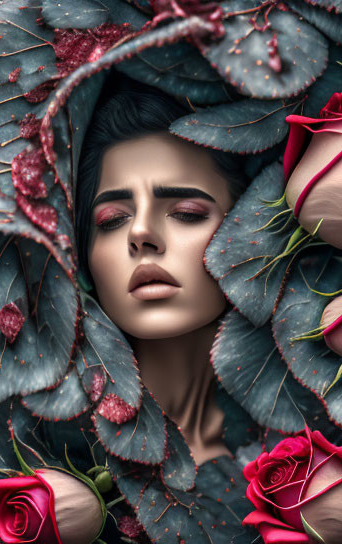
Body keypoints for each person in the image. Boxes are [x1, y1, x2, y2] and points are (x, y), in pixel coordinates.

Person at [75, 78, 248, 465]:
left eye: (186, 214)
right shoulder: (57, 457)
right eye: (112, 219)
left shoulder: (321, 432)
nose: (140, 234)